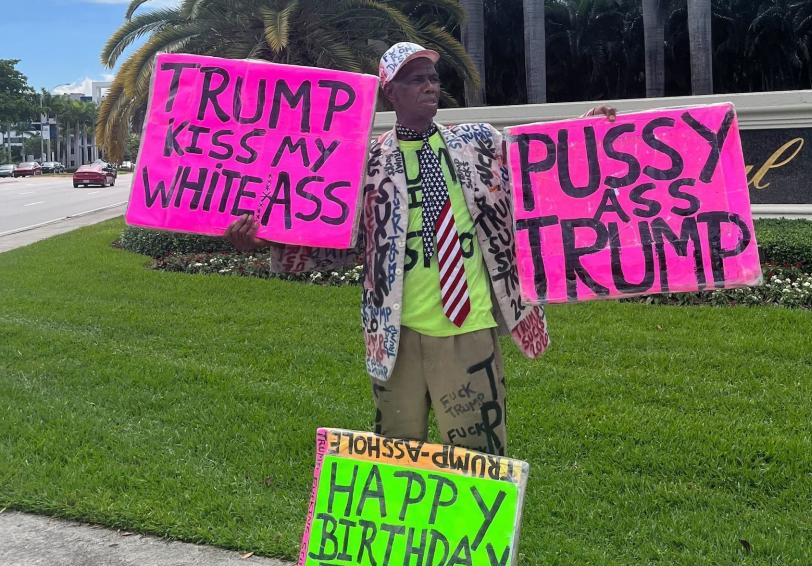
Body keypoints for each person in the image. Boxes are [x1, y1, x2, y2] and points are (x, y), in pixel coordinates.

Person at [227, 41, 616, 456]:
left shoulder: (479, 144)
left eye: (432, 77)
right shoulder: (367, 164)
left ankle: (472, 524)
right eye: (416, 80)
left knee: (477, 458)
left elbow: (538, 166)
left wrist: (583, 131)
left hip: (470, 326)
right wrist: (266, 238)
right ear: (390, 92)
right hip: (397, 334)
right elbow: (339, 243)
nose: (430, 86)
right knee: (397, 455)